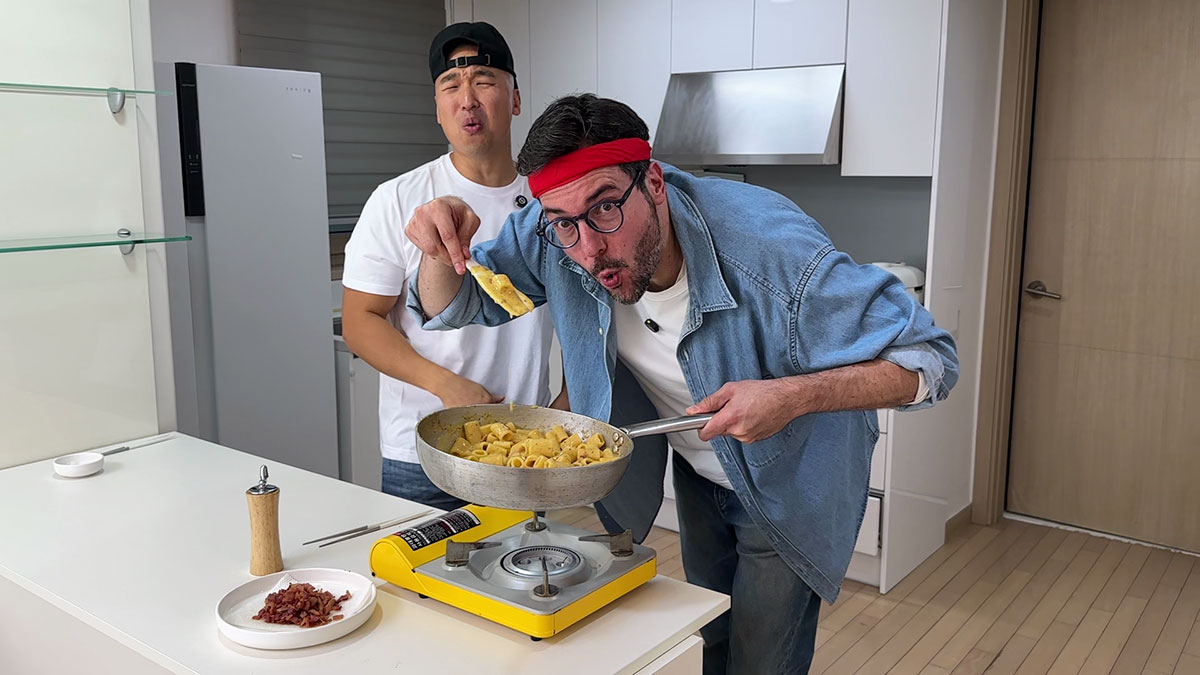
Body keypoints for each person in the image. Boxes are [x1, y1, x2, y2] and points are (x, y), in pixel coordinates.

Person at [403, 94, 959, 674]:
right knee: (708, 636)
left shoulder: (773, 255)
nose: (589, 248)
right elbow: (458, 304)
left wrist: (790, 397)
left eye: (605, 210)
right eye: (565, 224)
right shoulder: (555, 231)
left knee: (762, 661)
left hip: (790, 477)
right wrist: (438, 248)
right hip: (698, 468)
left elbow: (929, 360)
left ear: (656, 185)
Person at [340, 22, 564, 510]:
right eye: (451, 86)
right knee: (420, 586)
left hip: (521, 445)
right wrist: (446, 386)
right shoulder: (397, 199)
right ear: (438, 108)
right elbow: (360, 322)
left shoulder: (552, 201)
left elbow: (585, 311)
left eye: (484, 80)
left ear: (516, 99)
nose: (468, 99)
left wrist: (565, 407)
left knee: (521, 581)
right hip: (422, 449)